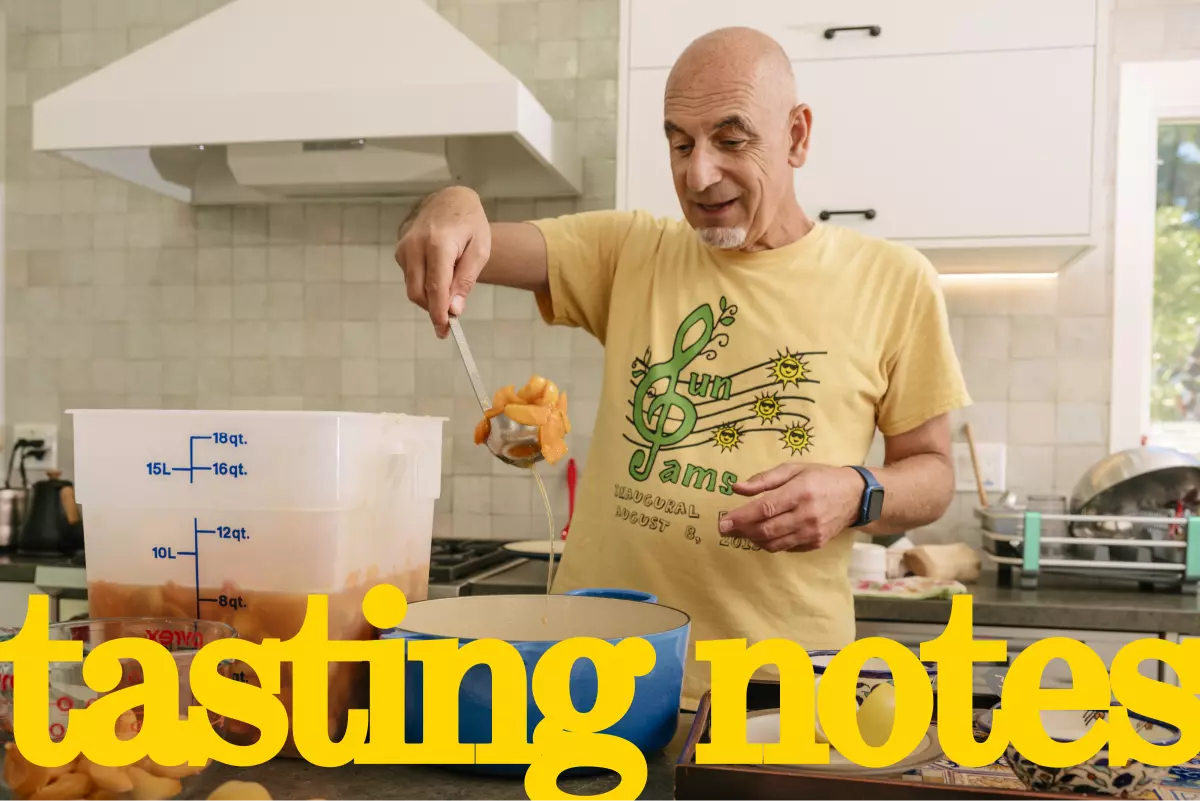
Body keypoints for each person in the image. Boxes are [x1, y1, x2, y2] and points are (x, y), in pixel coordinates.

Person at [394, 26, 971, 708]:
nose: (698, 175)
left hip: (773, 693)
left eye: (731, 140)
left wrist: (858, 490)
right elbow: (471, 242)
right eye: (679, 142)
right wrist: (449, 203)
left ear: (796, 136)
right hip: (591, 683)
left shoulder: (894, 281)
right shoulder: (630, 250)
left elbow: (932, 475)